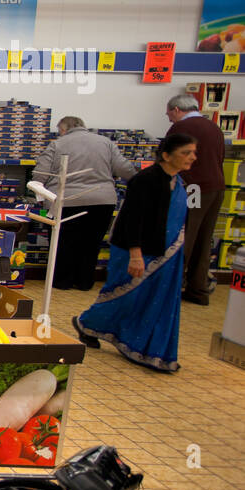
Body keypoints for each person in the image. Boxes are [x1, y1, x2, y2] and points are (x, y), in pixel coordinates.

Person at [73, 133, 197, 374]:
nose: (192, 157)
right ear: (166, 155)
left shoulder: (179, 182)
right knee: (125, 296)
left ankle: (148, 348)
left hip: (165, 253)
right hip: (137, 249)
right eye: (186, 152)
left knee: (153, 300)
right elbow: (132, 219)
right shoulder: (146, 180)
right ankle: (87, 323)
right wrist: (136, 254)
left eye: (193, 152)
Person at [32, 116, 137, 290]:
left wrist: (40, 193)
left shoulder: (58, 144)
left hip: (67, 200)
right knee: (91, 243)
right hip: (102, 201)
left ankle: (62, 281)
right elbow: (125, 169)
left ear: (64, 129)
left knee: (64, 243)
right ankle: (85, 281)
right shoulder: (106, 143)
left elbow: (40, 175)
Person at [165, 93, 226, 305]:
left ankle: (171, 288)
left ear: (177, 109)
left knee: (185, 235)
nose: (168, 117)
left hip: (194, 189)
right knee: (204, 238)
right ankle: (198, 289)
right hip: (216, 188)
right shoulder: (214, 127)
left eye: (169, 113)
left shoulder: (182, 128)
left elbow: (169, 158)